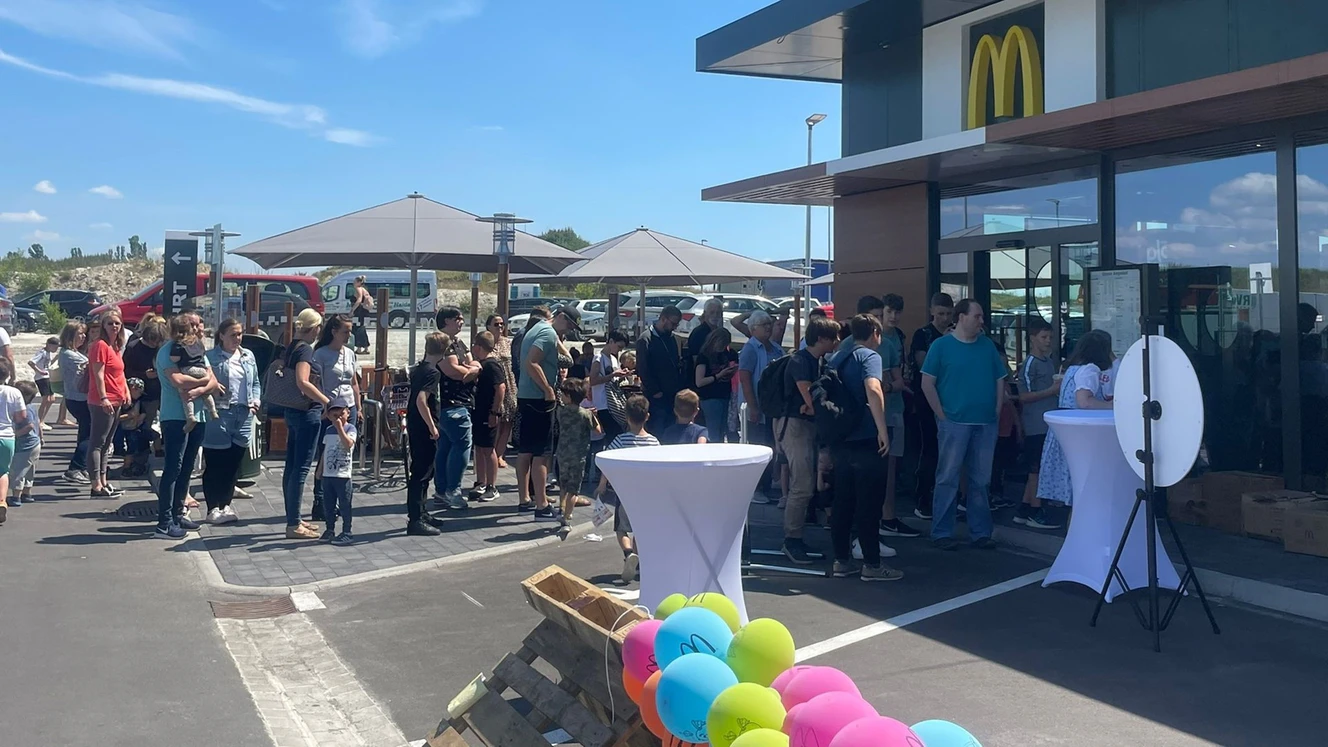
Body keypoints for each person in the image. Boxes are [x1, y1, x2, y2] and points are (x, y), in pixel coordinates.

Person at [920, 298, 1007, 550]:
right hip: (954, 422)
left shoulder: (987, 346)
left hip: (985, 422)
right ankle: (942, 532)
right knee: (948, 477)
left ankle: (980, 532)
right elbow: (927, 383)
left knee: (981, 480)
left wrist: (997, 409)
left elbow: (1000, 378)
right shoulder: (941, 346)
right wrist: (941, 414)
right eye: (977, 316)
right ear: (961, 317)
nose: (981, 321)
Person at [825, 315, 904, 582]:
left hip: (840, 437)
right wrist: (882, 430)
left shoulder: (837, 357)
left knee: (843, 501)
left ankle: (841, 560)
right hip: (865, 437)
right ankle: (872, 564)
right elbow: (873, 388)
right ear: (874, 333)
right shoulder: (869, 356)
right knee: (869, 502)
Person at [776, 316, 838, 564]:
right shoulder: (801, 361)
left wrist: (811, 407)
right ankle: (791, 539)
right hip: (795, 426)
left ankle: (796, 537)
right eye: (833, 337)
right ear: (821, 339)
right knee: (802, 484)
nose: (837, 341)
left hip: (804, 425)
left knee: (806, 483)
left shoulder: (816, 361)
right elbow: (810, 399)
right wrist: (813, 407)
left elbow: (811, 404)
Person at [156, 311, 223, 540]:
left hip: (199, 416)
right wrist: (204, 381)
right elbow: (178, 380)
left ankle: (178, 513)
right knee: (173, 468)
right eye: (190, 326)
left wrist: (201, 388)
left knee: (187, 468)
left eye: (197, 325)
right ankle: (164, 524)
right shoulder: (168, 351)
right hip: (175, 417)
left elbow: (213, 380)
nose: (195, 329)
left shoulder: (195, 349)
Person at [517, 305, 583, 521]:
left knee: (526, 450)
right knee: (542, 453)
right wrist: (547, 390)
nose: (569, 330)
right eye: (569, 325)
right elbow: (531, 362)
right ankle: (542, 506)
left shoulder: (537, 329)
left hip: (526, 395)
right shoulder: (547, 333)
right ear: (560, 317)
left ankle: (525, 499)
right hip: (539, 398)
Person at [1037, 329, 1115, 512]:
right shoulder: (1090, 370)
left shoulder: (1071, 369)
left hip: (1063, 431)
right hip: (1079, 433)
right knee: (1082, 485)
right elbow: (1084, 401)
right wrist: (1114, 406)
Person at [593, 394, 659, 583]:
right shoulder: (654, 442)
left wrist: (602, 484)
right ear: (647, 416)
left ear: (627, 417)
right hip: (647, 495)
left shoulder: (621, 440)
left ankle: (628, 553)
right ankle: (637, 564)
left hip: (625, 493)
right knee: (640, 529)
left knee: (621, 529)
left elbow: (606, 461)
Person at [202, 319, 260, 526]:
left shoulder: (248, 356)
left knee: (234, 462)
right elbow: (203, 381)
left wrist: (255, 401)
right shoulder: (210, 357)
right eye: (233, 334)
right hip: (220, 412)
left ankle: (225, 504)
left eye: (240, 334)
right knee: (216, 461)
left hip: (243, 412)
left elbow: (255, 382)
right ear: (222, 336)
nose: (237, 338)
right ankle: (212, 507)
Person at [279, 309, 331, 541]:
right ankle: (293, 523)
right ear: (315, 328)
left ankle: (294, 518)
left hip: (292, 410)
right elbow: (302, 381)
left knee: (291, 466)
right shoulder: (305, 350)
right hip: (306, 412)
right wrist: (326, 401)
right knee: (300, 468)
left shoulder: (292, 346)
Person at [878, 294, 921, 539]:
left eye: (897, 312)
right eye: (889, 311)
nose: (893, 316)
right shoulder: (877, 339)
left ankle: (889, 516)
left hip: (896, 406)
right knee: (882, 466)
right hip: (880, 409)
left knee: (893, 465)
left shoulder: (899, 336)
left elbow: (899, 374)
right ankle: (883, 517)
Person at [312, 314, 361, 522]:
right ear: (334, 332)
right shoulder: (320, 354)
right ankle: (320, 500)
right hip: (330, 408)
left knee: (344, 453)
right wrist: (323, 407)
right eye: (345, 331)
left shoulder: (349, 353)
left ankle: (340, 499)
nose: (348, 335)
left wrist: (358, 406)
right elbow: (315, 382)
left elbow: (353, 382)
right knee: (326, 453)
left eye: (350, 331)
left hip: (348, 407)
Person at [909, 292, 954, 520]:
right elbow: (923, 365)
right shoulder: (923, 335)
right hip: (926, 399)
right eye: (940, 314)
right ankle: (922, 497)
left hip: (951, 398)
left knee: (950, 450)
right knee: (930, 449)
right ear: (932, 312)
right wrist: (942, 343)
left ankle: (947, 497)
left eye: (948, 314)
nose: (945, 319)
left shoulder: (957, 333)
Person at [434, 306, 479, 510]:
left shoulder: (459, 342)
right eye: (457, 318)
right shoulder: (442, 343)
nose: (461, 321)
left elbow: (472, 361)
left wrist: (470, 368)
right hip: (450, 403)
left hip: (464, 400)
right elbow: (453, 371)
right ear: (446, 321)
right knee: (461, 446)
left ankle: (442, 490)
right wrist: (471, 370)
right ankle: (453, 490)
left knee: (446, 446)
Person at [738, 310, 785, 500]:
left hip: (773, 406)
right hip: (757, 407)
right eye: (764, 324)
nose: (768, 327)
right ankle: (756, 489)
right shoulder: (750, 349)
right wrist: (753, 407)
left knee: (771, 446)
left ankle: (767, 484)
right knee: (759, 447)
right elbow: (745, 378)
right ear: (753, 329)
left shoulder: (776, 348)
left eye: (769, 324)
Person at [405, 332, 448, 537]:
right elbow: (421, 400)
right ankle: (415, 519)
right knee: (421, 473)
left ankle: (421, 512)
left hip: (415, 425)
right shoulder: (433, 373)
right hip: (423, 428)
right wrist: (432, 426)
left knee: (423, 471)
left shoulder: (420, 368)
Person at [87, 311, 129, 498]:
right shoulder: (100, 346)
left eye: (117, 323)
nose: (114, 327)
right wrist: (103, 397)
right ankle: (96, 485)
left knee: (107, 443)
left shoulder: (115, 347)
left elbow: (120, 373)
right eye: (110, 323)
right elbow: (98, 374)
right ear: (103, 325)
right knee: (98, 442)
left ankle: (104, 481)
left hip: (117, 399)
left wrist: (126, 391)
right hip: (103, 401)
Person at [554, 377, 599, 538]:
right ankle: (567, 518)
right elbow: (598, 430)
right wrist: (593, 415)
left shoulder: (560, 411)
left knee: (563, 484)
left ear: (569, 396)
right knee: (573, 489)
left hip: (562, 453)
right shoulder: (585, 414)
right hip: (578, 456)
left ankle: (561, 509)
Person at [635, 305, 684, 436]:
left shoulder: (672, 338)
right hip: (656, 397)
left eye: (677, 324)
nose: (674, 327)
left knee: (671, 431)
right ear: (663, 319)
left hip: (672, 394)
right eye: (673, 323)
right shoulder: (646, 339)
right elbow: (642, 368)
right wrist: (655, 391)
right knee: (657, 430)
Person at [469, 330, 505, 503]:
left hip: (488, 411)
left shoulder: (492, 365)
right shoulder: (482, 365)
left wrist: (494, 412)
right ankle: (481, 482)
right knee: (479, 447)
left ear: (479, 346)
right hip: (479, 411)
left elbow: (501, 388)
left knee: (488, 448)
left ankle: (492, 486)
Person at [168, 315, 218, 432]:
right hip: (202, 370)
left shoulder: (178, 344)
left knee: (185, 393)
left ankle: (190, 417)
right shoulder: (198, 342)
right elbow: (203, 354)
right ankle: (213, 410)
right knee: (206, 394)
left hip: (188, 369)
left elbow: (175, 360)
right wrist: (204, 380)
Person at [320, 400, 358, 545]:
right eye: (335, 415)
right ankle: (329, 529)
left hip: (343, 475)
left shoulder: (350, 429)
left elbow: (348, 444)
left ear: (347, 413)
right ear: (329, 416)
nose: (339, 418)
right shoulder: (328, 430)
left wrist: (340, 428)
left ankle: (347, 531)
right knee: (328, 504)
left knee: (345, 504)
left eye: (341, 414)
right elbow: (325, 450)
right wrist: (320, 469)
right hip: (328, 474)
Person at [57, 321, 91, 484]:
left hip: (78, 398)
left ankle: (83, 466)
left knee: (85, 433)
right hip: (79, 399)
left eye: (84, 334)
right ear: (70, 336)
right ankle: (75, 468)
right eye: (80, 334)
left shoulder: (74, 353)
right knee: (89, 435)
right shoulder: (70, 355)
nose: (83, 337)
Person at [695, 327, 739, 443]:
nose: (723, 347)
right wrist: (719, 375)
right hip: (710, 397)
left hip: (726, 395)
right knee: (713, 431)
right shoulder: (704, 356)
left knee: (723, 430)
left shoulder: (728, 353)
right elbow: (699, 382)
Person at [486, 315, 518, 468]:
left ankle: (500, 454)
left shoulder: (508, 342)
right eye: (496, 324)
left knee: (508, 421)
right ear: (488, 326)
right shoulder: (486, 343)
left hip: (510, 384)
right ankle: (491, 453)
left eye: (502, 324)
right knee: (497, 421)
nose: (500, 327)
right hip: (494, 384)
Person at [0, 359, 26, 515]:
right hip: (6, 436)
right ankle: (1, 501)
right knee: (3, 471)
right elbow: (21, 416)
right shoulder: (14, 392)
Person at [119, 378, 152, 479]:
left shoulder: (138, 401)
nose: (140, 395)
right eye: (139, 392)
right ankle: (126, 468)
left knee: (137, 447)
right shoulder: (123, 401)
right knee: (129, 450)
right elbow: (115, 417)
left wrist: (140, 418)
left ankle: (136, 465)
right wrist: (130, 416)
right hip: (123, 428)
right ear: (132, 389)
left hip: (135, 428)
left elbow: (143, 412)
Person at [686, 298, 726, 369]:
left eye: (718, 313)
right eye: (712, 312)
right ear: (705, 313)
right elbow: (695, 359)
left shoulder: (720, 333)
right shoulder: (698, 333)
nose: (715, 315)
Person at [29, 336, 58, 430]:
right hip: (41, 378)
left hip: (47, 377)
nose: (55, 349)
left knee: (52, 399)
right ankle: (39, 421)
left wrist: (56, 358)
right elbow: (31, 362)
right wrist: (40, 371)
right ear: (49, 345)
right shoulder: (42, 352)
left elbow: (47, 364)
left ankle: (41, 420)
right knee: (46, 399)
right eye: (55, 347)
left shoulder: (48, 353)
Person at [350, 275, 374, 355]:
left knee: (357, 329)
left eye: (355, 281)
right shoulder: (364, 289)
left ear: (359, 282)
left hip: (359, 312)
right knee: (362, 329)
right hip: (364, 312)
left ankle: (359, 347)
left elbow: (359, 300)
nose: (353, 283)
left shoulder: (358, 289)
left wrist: (352, 310)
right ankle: (365, 347)